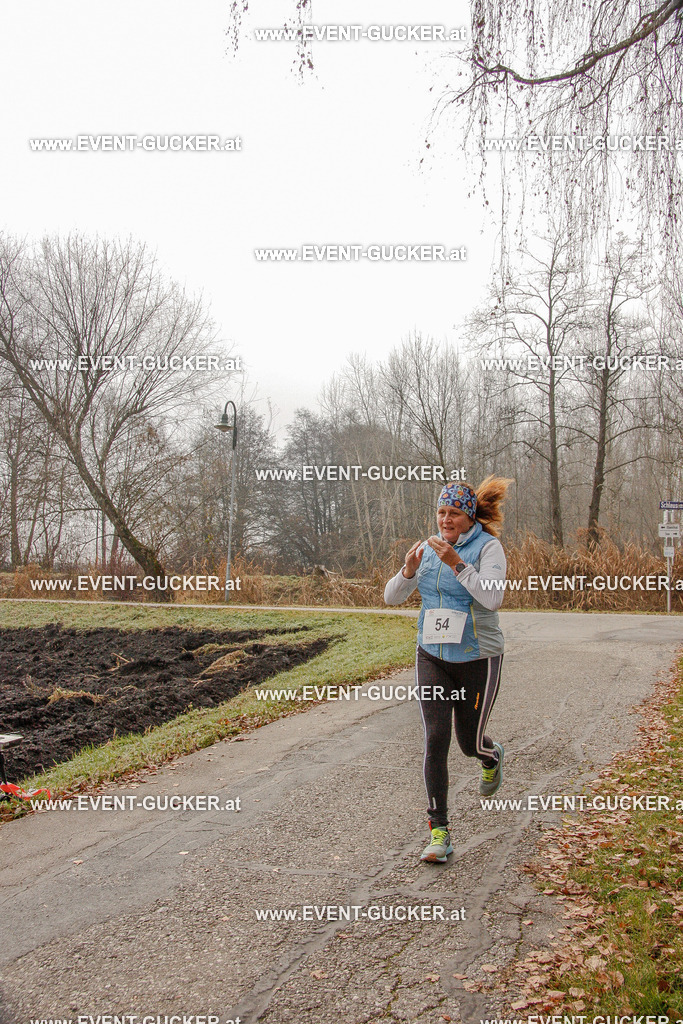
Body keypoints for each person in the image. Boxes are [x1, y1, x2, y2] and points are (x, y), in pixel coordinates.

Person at [384, 476, 512, 863]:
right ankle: (439, 831)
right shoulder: (426, 548)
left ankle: (490, 757)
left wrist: (457, 564)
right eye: (441, 512)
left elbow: (492, 598)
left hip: (477, 658)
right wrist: (408, 570)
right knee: (435, 739)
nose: (445, 519)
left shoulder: (488, 548)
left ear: (468, 516)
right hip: (432, 656)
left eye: (453, 512)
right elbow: (391, 597)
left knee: (468, 744)